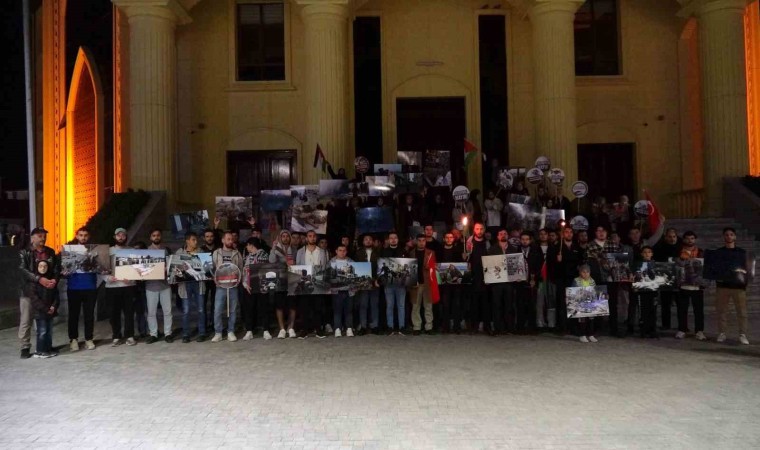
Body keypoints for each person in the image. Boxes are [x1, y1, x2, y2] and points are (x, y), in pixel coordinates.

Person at [18, 227, 60, 359]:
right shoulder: (24, 252)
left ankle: (45, 345)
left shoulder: (50, 252)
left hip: (46, 292)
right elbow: (22, 270)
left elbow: (56, 269)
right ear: (32, 238)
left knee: (46, 320)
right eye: (40, 236)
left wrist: (55, 280)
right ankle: (25, 346)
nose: (43, 238)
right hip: (29, 292)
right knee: (26, 320)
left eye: (44, 236)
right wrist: (39, 279)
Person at [714, 227, 750, 345]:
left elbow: (746, 269)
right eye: (726, 235)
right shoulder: (719, 252)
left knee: (742, 312)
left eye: (731, 234)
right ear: (723, 237)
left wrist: (745, 281)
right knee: (722, 311)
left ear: (735, 237)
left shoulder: (741, 253)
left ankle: (742, 334)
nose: (729, 236)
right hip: (723, 286)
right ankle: (722, 333)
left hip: (738, 287)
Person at [585, 225, 623, 337]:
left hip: (611, 278)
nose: (601, 233)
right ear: (595, 232)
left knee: (612, 303)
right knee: (597, 303)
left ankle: (614, 329)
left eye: (603, 230)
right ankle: (597, 328)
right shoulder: (590, 245)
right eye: (598, 230)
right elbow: (587, 262)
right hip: (597, 278)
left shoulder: (613, 244)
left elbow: (618, 261)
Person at [64, 226, 98, 351]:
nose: (83, 237)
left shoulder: (94, 250)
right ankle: (73, 340)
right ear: (77, 236)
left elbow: (101, 267)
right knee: (73, 315)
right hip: (74, 287)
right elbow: (64, 269)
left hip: (90, 286)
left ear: (88, 237)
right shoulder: (69, 251)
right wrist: (64, 272)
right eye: (81, 235)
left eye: (85, 235)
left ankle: (89, 339)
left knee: (89, 315)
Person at [106, 228, 138, 347]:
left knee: (129, 312)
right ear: (114, 237)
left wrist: (132, 278)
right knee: (114, 313)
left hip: (128, 286)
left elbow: (137, 269)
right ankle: (116, 336)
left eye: (123, 235)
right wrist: (107, 278)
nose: (121, 237)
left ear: (126, 237)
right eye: (118, 235)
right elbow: (102, 268)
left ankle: (129, 336)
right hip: (112, 286)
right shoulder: (108, 251)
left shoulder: (132, 251)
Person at [549, 226, 584, 334]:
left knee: (573, 303)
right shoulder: (556, 247)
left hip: (573, 278)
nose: (568, 234)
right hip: (561, 278)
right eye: (566, 232)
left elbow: (581, 262)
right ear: (562, 234)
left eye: (570, 232)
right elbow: (550, 264)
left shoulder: (577, 247)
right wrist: (557, 260)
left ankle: (573, 327)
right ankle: (562, 327)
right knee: (562, 303)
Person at [175, 231, 208, 343]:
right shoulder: (180, 252)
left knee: (201, 309)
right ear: (187, 241)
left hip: (198, 283)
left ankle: (202, 333)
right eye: (193, 240)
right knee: (186, 310)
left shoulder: (201, 252)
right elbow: (175, 269)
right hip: (185, 284)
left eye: (196, 240)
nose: (195, 242)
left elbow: (207, 269)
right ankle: (186, 334)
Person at [211, 231, 244, 342]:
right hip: (220, 286)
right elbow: (212, 268)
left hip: (233, 286)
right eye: (228, 239)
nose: (230, 241)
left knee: (233, 310)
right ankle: (218, 332)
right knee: (218, 310)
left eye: (232, 239)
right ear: (223, 240)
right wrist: (214, 278)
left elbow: (240, 268)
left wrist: (239, 280)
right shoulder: (216, 253)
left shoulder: (237, 253)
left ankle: (231, 331)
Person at [296, 230, 329, 338]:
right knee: (304, 307)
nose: (312, 238)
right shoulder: (300, 251)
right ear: (306, 238)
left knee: (317, 307)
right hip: (305, 282)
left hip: (318, 281)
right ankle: (304, 329)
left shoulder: (322, 252)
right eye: (310, 236)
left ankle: (318, 329)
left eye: (314, 236)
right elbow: (298, 267)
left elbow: (325, 267)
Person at [675, 231, 705, 341]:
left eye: (692, 238)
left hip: (697, 286)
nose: (690, 240)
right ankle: (682, 330)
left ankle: (699, 331)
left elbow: (704, 268)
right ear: (683, 240)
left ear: (695, 240)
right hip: (683, 285)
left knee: (699, 310)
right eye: (687, 238)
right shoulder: (678, 251)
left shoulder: (700, 252)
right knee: (682, 309)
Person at [487, 228, 518, 335]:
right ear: (497, 237)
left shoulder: (514, 249)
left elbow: (517, 264)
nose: (503, 235)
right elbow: (488, 266)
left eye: (505, 233)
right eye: (501, 234)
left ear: (508, 236)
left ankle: (509, 327)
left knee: (509, 305)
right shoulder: (492, 249)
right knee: (497, 305)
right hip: (497, 282)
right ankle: (498, 328)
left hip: (509, 282)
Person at [28, 256, 60, 358]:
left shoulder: (51, 281)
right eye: (40, 266)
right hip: (40, 312)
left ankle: (48, 347)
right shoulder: (34, 283)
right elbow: (35, 299)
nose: (42, 268)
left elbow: (56, 296)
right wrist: (46, 309)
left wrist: (54, 307)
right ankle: (40, 350)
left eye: (45, 266)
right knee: (42, 331)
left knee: (49, 331)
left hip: (50, 311)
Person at [145, 229, 173, 343]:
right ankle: (153, 334)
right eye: (154, 235)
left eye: (158, 235)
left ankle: (168, 333)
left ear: (160, 237)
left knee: (168, 311)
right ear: (150, 237)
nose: (156, 237)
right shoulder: (146, 251)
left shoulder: (166, 250)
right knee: (151, 312)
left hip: (165, 285)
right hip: (151, 286)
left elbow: (171, 265)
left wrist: (168, 268)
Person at [269, 230, 297, 338]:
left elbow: (298, 262)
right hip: (279, 280)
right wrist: (273, 248)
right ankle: (282, 329)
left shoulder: (294, 249)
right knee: (279, 305)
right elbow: (271, 261)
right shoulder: (276, 249)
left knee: (292, 305)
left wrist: (292, 263)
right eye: (283, 236)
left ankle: (291, 328)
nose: (285, 238)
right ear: (280, 238)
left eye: (287, 236)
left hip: (292, 279)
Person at [241, 237, 270, 340]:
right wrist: (245, 283)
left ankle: (266, 330)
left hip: (262, 286)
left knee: (264, 307)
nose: (246, 247)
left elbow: (266, 269)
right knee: (249, 308)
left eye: (247, 245)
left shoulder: (264, 255)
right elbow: (245, 271)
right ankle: (249, 330)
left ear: (251, 245)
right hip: (249, 287)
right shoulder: (247, 257)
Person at [410, 234, 438, 335]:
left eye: (423, 241)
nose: (421, 242)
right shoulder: (411, 253)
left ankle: (428, 327)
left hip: (427, 283)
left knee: (428, 306)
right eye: (420, 240)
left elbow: (434, 268)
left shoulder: (431, 253)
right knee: (415, 307)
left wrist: (430, 268)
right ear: (416, 241)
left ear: (425, 242)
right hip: (415, 284)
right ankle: (417, 327)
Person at [515, 231, 543, 334]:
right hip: (520, 281)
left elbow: (540, 264)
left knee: (532, 304)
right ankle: (520, 327)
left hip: (532, 281)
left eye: (527, 239)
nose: (525, 241)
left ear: (530, 240)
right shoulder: (517, 250)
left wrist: (534, 278)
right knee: (520, 304)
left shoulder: (536, 249)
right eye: (523, 239)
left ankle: (532, 327)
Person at [381, 231, 408, 335]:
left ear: (397, 239)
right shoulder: (384, 251)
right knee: (390, 305)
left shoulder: (403, 251)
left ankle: (401, 327)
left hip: (401, 284)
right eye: (391, 238)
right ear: (388, 240)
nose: (393, 239)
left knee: (401, 305)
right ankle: (390, 327)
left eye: (395, 238)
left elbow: (408, 266)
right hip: (388, 284)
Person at [654, 228, 681, 330]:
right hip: (665, 279)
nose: (672, 239)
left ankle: (682, 325)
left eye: (674, 236)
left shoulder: (681, 248)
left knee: (680, 303)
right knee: (665, 303)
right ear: (665, 237)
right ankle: (666, 324)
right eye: (669, 237)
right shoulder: (659, 248)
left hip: (679, 280)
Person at [466, 223, 490, 333]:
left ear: (484, 230)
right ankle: (473, 326)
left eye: (481, 229)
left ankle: (486, 326)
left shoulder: (487, 243)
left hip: (485, 276)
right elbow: (467, 257)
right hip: (474, 276)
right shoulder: (469, 242)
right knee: (474, 302)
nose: (479, 231)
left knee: (486, 303)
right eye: (477, 229)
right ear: (474, 230)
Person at [354, 233, 381, 335]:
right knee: (363, 304)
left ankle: (375, 326)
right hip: (363, 282)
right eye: (366, 239)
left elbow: (381, 268)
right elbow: (355, 268)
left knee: (374, 304)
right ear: (363, 241)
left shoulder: (378, 252)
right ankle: (363, 326)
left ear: (373, 241)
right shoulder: (358, 253)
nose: (368, 241)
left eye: (370, 239)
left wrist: (377, 280)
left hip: (375, 282)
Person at [438, 231, 464, 333]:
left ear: (453, 239)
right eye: (447, 237)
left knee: (456, 305)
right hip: (444, 284)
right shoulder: (440, 251)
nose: (449, 239)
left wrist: (464, 258)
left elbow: (462, 267)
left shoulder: (457, 250)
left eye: (451, 237)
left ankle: (456, 327)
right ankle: (445, 327)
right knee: (445, 305)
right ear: (444, 239)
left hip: (456, 284)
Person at [631, 246, 658, 338]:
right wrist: (635, 286)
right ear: (642, 254)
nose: (647, 254)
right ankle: (643, 329)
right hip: (642, 291)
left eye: (649, 252)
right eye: (645, 252)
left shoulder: (655, 264)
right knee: (643, 310)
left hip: (653, 291)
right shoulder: (637, 264)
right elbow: (634, 277)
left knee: (653, 310)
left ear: (652, 254)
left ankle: (652, 329)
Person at [330, 245, 355, 337]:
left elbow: (355, 276)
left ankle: (349, 328)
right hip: (336, 290)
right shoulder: (331, 262)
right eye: (340, 250)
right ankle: (337, 328)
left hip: (349, 290)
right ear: (336, 251)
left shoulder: (351, 262)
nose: (342, 252)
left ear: (346, 251)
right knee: (337, 310)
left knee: (349, 310)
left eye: (344, 250)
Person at [535, 228, 557, 329]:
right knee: (540, 300)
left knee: (551, 299)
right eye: (541, 234)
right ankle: (540, 321)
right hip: (540, 278)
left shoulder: (553, 248)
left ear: (548, 235)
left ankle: (551, 322)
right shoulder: (535, 248)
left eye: (545, 234)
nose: (543, 236)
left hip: (551, 278)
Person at [572, 265, 598, 343]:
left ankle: (591, 334)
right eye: (583, 272)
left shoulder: (592, 280)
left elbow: (595, 290)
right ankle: (582, 335)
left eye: (587, 272)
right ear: (580, 273)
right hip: (580, 303)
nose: (586, 274)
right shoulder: (576, 280)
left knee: (591, 319)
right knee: (582, 320)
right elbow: (573, 292)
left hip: (590, 303)